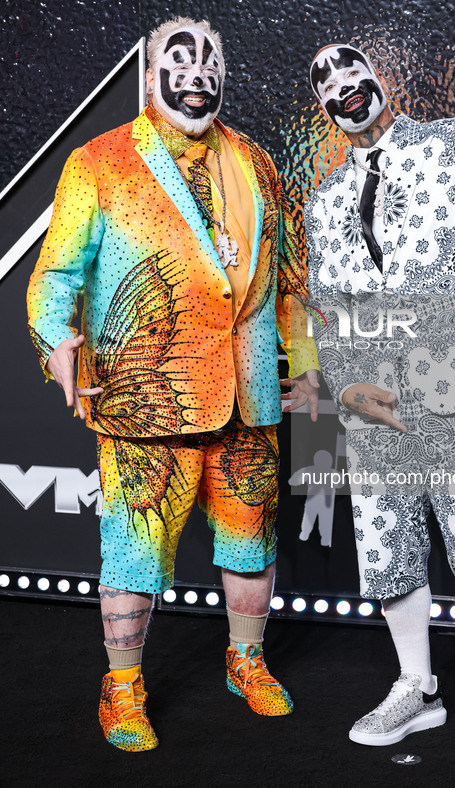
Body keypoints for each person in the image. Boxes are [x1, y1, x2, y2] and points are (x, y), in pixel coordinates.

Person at [27, 16, 319, 752]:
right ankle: (120, 688)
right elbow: (55, 275)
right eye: (179, 58)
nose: (197, 71)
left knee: (251, 538)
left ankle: (244, 661)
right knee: (133, 551)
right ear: (149, 71)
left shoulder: (257, 161)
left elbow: (289, 280)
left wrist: (307, 363)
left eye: (211, 59)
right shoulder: (99, 161)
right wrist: (55, 342)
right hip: (144, 399)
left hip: (249, 397)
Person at [305, 43, 455, 777]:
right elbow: (327, 307)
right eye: (324, 81)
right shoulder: (322, 201)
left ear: (380, 79)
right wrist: (345, 384)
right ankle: (416, 686)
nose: (341, 85)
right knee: (387, 553)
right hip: (371, 402)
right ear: (323, 107)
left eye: (351, 69)